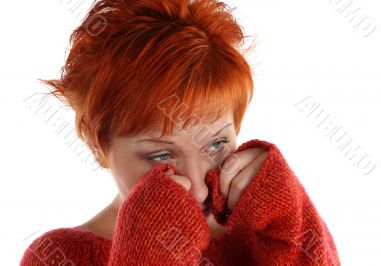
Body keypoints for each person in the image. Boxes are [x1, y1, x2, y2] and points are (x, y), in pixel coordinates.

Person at [20, 0, 340, 265]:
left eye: (216, 143)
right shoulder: (57, 257)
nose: (199, 190)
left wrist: (290, 216)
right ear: (96, 145)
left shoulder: (262, 235)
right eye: (161, 155)